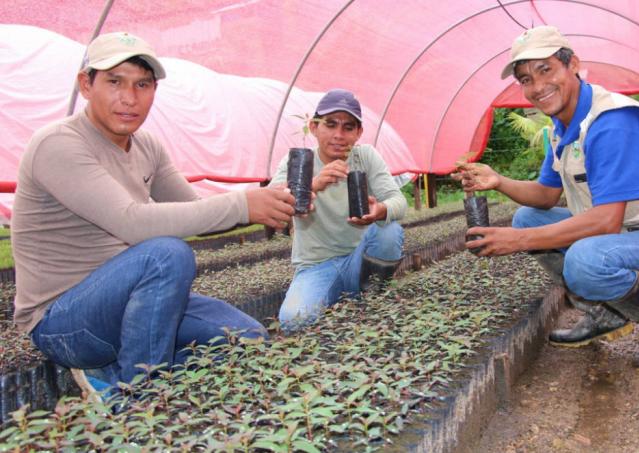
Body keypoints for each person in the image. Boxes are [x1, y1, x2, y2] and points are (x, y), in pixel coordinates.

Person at [11, 32, 298, 400]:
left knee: (248, 337)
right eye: (115, 82)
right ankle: (138, 400)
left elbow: (193, 209)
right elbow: (131, 221)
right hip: (65, 321)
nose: (129, 98)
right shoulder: (59, 144)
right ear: (86, 84)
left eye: (142, 84)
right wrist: (242, 204)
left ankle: (113, 377)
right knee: (166, 255)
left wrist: (269, 201)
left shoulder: (147, 146)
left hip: (129, 302)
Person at [454, 26, 639, 369]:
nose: (537, 86)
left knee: (585, 260)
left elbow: (606, 221)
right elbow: (546, 195)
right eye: (526, 79)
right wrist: (498, 181)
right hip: (624, 240)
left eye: (545, 70)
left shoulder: (613, 121)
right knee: (527, 217)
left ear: (572, 64)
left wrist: (517, 241)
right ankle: (605, 313)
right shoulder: (562, 128)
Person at [269, 89, 406, 329]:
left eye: (348, 127)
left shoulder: (365, 157)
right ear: (313, 127)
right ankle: (343, 296)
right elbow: (272, 200)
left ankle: (369, 294)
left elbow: (399, 201)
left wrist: (380, 210)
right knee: (294, 321)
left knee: (389, 231)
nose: (339, 135)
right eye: (330, 124)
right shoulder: (299, 161)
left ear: (358, 132)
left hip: (359, 260)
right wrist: (313, 184)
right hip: (316, 267)